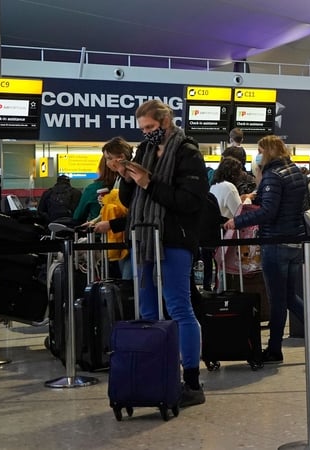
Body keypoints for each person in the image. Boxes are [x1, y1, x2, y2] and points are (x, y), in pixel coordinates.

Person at [117, 99, 208, 407]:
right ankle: (155, 373)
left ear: (165, 122)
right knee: (147, 312)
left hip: (174, 239)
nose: (147, 134)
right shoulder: (142, 151)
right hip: (144, 239)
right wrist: (127, 178)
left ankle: (192, 381)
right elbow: (131, 200)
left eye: (151, 128)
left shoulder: (187, 152)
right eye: (142, 129)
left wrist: (150, 182)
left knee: (179, 307)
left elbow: (189, 201)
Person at [224, 135, 310, 363]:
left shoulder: (272, 175)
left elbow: (268, 212)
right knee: (290, 296)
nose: (258, 155)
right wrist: (256, 194)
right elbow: (287, 203)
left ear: (268, 151)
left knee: (277, 299)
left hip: (276, 242)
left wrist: (237, 222)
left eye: (261, 150)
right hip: (294, 241)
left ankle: (274, 349)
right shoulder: (294, 171)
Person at [93, 137, 133, 280]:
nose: (107, 163)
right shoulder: (119, 178)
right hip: (123, 239)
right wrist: (95, 220)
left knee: (129, 283)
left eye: (108, 158)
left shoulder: (132, 178)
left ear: (120, 157)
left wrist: (110, 224)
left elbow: (135, 213)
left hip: (131, 239)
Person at [207, 157, 245, 291]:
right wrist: (248, 202)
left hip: (215, 234)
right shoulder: (230, 187)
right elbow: (239, 212)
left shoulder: (214, 185)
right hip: (228, 236)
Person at [73, 156, 115, 225]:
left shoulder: (93, 189)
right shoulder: (129, 187)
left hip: (97, 232)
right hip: (125, 232)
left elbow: (78, 216)